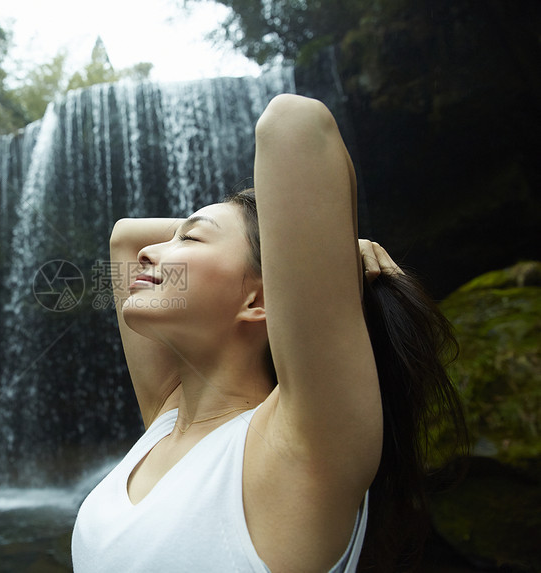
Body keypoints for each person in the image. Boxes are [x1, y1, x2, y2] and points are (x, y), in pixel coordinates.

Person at [71, 94, 466, 572]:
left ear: (258, 300)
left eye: (190, 238)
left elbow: (294, 123)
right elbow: (125, 235)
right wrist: (310, 241)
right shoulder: (167, 417)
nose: (151, 252)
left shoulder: (299, 444)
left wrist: (308, 242)